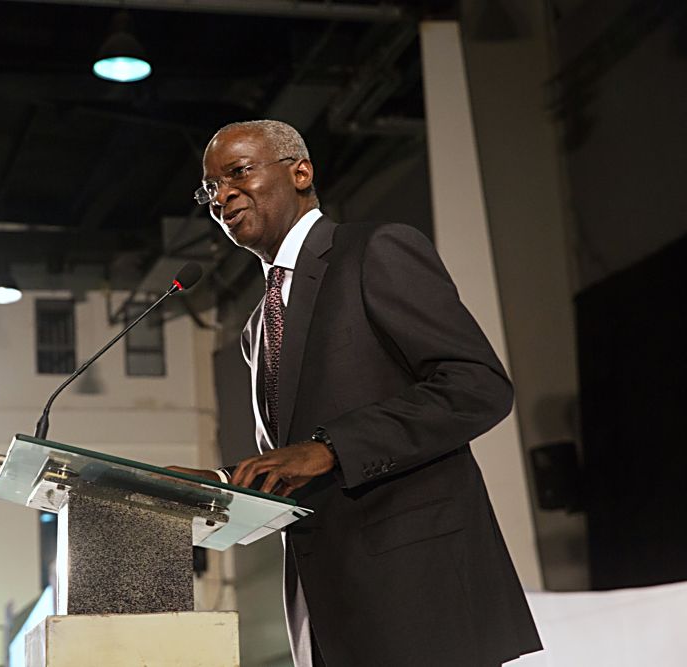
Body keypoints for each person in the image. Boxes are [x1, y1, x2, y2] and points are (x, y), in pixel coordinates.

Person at [170, 120, 542, 666]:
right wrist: (224, 486)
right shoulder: (257, 327)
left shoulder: (374, 250)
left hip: (416, 593)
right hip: (323, 608)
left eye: (238, 173)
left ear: (300, 172)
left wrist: (332, 448)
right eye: (210, 189)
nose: (222, 195)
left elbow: (476, 384)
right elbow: (291, 463)